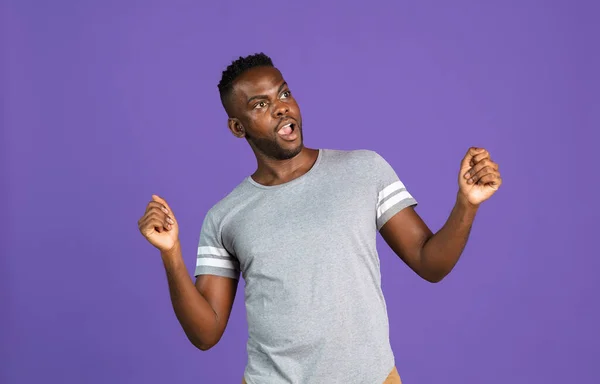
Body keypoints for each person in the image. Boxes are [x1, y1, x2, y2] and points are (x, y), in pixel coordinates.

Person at [137, 53, 502, 383]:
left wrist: (466, 205)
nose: (281, 108)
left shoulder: (364, 170)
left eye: (283, 94)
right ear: (238, 127)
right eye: (260, 104)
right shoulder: (225, 217)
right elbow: (207, 333)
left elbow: (429, 262)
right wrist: (170, 254)